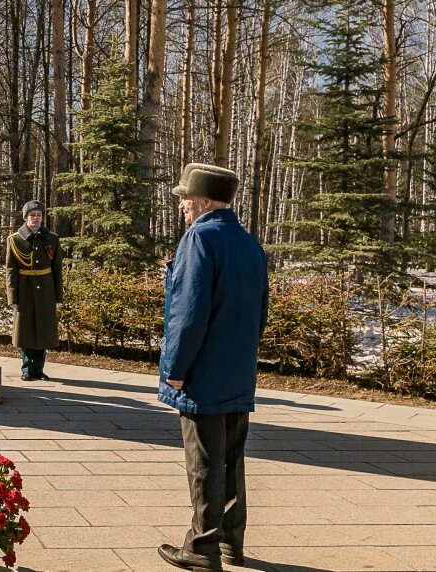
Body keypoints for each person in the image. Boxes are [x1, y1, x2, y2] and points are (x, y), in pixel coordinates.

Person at [156, 163, 269, 572]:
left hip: (201, 373)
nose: (183, 206)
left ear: (203, 201)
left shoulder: (199, 238)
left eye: (186, 199)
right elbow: (260, 314)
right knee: (231, 460)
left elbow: (189, 313)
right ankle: (230, 543)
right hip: (238, 370)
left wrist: (175, 367)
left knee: (204, 463)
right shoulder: (249, 243)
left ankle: (202, 548)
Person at [5, 200, 63, 381]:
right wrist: (12, 296)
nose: (36, 219)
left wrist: (58, 295)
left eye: (39, 215)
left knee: (44, 330)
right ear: (25, 218)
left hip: (46, 291)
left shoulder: (52, 239)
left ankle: (39, 369)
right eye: (32, 215)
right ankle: (27, 369)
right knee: (26, 331)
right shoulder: (15, 240)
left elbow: (57, 269)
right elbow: (11, 270)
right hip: (25, 290)